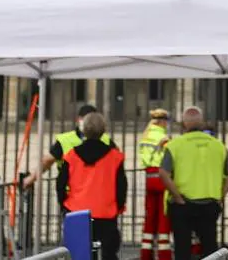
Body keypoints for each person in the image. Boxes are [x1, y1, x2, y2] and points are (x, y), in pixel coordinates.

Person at [158, 106, 228, 258]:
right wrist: (221, 194)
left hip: (183, 204)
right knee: (210, 247)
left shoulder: (175, 145)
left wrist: (176, 196)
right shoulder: (217, 144)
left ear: (184, 123)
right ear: (202, 123)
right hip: (209, 203)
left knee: (183, 247)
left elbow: (163, 173)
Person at [58, 112, 127, 260]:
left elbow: (60, 183)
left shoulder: (71, 156)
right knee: (109, 253)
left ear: (84, 130)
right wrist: (119, 206)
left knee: (80, 254)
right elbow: (121, 186)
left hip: (77, 210)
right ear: (103, 130)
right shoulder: (115, 157)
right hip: (106, 211)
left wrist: (63, 204)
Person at [22, 103, 115, 211]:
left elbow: (47, 161)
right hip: (98, 197)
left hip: (74, 198)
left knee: (75, 226)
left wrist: (31, 178)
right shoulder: (106, 141)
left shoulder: (65, 140)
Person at [138, 108, 173, 260]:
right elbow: (170, 158)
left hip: (149, 178)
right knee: (163, 216)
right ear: (163, 121)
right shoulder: (163, 137)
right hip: (161, 178)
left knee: (150, 216)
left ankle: (146, 253)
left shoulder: (145, 136)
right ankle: (164, 254)